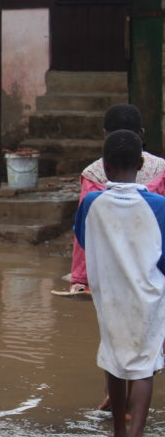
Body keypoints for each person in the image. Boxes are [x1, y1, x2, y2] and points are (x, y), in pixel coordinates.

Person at [73, 129, 165, 437]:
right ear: (141, 165)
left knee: (114, 357)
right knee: (144, 365)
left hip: (108, 295)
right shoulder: (159, 206)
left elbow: (83, 237)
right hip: (148, 295)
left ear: (105, 166)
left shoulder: (91, 203)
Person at [64, 104, 165, 298]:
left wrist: (80, 279)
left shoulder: (93, 175)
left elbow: (85, 237)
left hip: (111, 272)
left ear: (104, 134)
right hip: (153, 271)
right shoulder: (160, 169)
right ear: (142, 134)